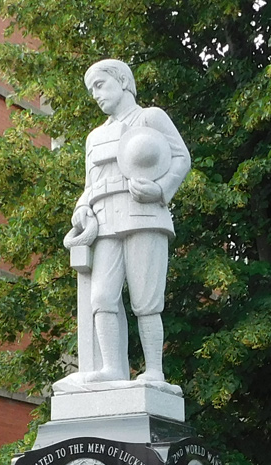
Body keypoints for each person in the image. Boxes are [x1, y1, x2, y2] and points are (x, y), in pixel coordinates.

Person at [59, 59, 190, 389]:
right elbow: (90, 184)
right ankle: (112, 368)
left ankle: (155, 371)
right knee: (102, 297)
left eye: (100, 85)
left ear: (122, 81)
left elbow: (181, 157)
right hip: (104, 223)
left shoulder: (150, 117)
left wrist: (160, 189)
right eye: (91, 90)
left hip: (144, 215)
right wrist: (81, 208)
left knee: (146, 300)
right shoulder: (94, 137)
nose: (96, 96)